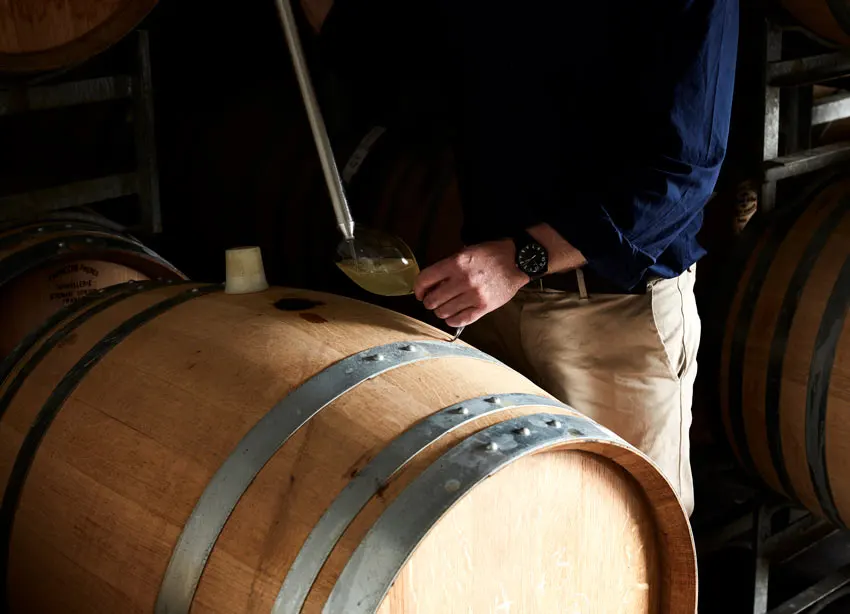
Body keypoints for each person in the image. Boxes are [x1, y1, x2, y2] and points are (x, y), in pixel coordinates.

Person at [413, 0, 740, 516]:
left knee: (624, 547)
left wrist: (520, 258)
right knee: (510, 535)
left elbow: (683, 171)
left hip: (613, 320)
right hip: (494, 308)